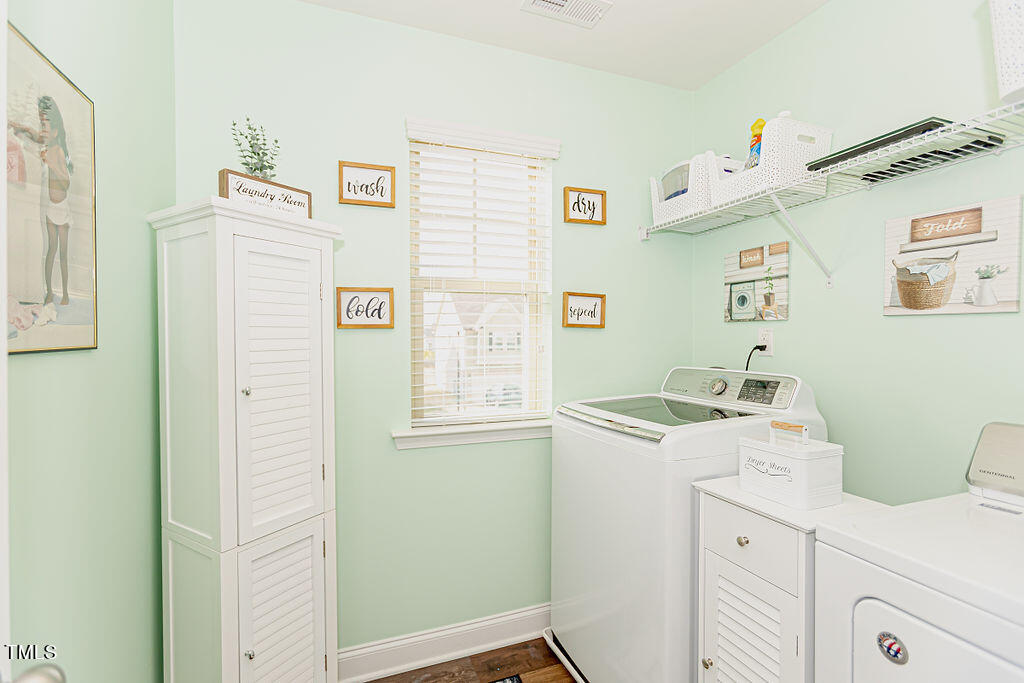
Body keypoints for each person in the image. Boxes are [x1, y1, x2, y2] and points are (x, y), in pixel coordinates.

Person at [10, 95, 74, 305]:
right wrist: (19, 127)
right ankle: (49, 291)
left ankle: (65, 292)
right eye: (41, 124)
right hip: (51, 209)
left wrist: (51, 163)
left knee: (63, 253)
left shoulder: (58, 151)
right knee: (50, 251)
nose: (42, 130)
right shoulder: (46, 143)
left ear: (54, 131)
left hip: (62, 208)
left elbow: (66, 181)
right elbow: (36, 135)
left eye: (45, 126)